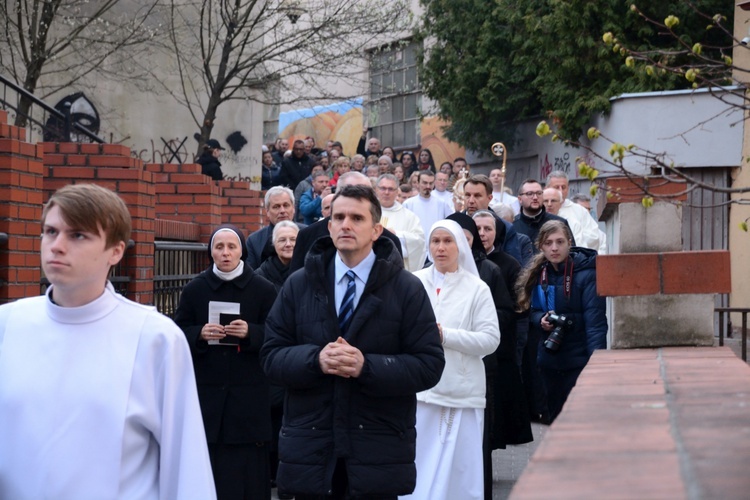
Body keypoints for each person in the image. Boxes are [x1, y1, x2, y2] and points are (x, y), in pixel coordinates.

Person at [0, 183, 216, 499]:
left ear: (115, 250)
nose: (56, 245)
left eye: (77, 235)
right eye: (50, 231)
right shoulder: (8, 324)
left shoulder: (154, 337)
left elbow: (186, 462)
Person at [261, 184, 446, 499]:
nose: (346, 224)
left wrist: (367, 366)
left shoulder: (406, 289)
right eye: (339, 217)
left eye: (357, 218)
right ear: (329, 225)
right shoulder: (299, 284)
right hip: (312, 447)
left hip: (378, 447)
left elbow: (429, 365)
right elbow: (271, 358)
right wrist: (315, 360)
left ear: (376, 230)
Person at [175, 225, 277, 499]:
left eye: (232, 246)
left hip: (249, 397)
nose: (225, 253)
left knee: (248, 478)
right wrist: (199, 333)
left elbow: (278, 334)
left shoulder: (263, 289)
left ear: (242, 250)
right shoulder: (195, 288)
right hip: (208, 394)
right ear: (211, 251)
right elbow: (177, 331)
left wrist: (251, 333)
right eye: (219, 247)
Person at [405, 219, 500, 500]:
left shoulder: (477, 288)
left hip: (460, 392)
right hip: (420, 392)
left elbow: (490, 340)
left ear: (460, 246)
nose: (441, 248)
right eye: (436, 241)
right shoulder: (414, 282)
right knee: (419, 464)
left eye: (448, 241)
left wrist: (445, 335)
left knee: (459, 470)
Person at [447, 213, 532, 500]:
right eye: (442, 239)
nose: (448, 246)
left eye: (459, 238)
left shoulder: (490, 271)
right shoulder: (428, 273)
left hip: (480, 363)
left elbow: (505, 314)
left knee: (476, 435)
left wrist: (465, 324)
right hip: (441, 369)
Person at [515, 220, 607, 423]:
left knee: (579, 420)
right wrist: (541, 319)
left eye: (559, 242)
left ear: (570, 242)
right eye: (548, 243)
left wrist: (596, 364)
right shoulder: (540, 273)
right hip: (549, 359)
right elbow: (531, 311)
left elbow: (595, 323)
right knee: (555, 420)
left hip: (579, 360)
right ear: (541, 246)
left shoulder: (587, 274)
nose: (554, 248)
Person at [290, 172, 403, 272]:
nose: (353, 200)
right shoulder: (308, 236)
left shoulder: (389, 243)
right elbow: (297, 288)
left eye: (361, 194)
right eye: (348, 193)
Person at [377, 173, 426, 272]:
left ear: (397, 192)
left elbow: (419, 242)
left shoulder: (409, 216)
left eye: (391, 189)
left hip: (395, 270)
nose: (386, 192)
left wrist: (396, 235)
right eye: (383, 188)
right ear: (376, 190)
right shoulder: (367, 212)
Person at [246, 186, 302, 269]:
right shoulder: (254, 241)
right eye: (276, 207)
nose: (282, 211)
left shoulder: (308, 233)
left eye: (286, 205)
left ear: (293, 208)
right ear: (267, 211)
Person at [545, 171, 601, 252]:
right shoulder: (540, 209)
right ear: (547, 188)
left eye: (563, 187)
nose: (560, 191)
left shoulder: (579, 211)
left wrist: (576, 237)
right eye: (556, 187)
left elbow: (594, 237)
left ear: (568, 188)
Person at [403, 171, 454, 257]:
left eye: (431, 183)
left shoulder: (442, 204)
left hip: (436, 251)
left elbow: (450, 226)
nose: (428, 186)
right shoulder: (408, 204)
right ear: (418, 183)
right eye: (425, 183)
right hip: (415, 251)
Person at [513, 179, 575, 250]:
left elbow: (572, 252)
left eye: (539, 193)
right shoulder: (512, 225)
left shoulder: (560, 222)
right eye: (529, 194)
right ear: (520, 199)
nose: (535, 197)